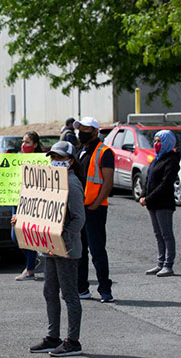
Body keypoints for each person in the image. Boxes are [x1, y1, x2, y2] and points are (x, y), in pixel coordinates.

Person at [27, 141, 86, 357]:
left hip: (66, 249)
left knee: (69, 294)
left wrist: (60, 240)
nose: (55, 162)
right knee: (49, 291)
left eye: (60, 158)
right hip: (49, 247)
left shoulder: (72, 183)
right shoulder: (50, 182)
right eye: (52, 157)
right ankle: (53, 337)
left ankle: (73, 341)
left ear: (70, 161)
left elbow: (79, 219)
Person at [75, 117, 115, 302]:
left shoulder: (104, 152)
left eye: (85, 129)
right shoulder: (80, 150)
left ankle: (105, 290)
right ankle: (82, 288)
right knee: (80, 250)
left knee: (97, 250)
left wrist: (96, 203)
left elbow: (107, 182)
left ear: (95, 132)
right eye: (80, 128)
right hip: (80, 209)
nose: (81, 131)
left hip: (95, 209)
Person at [0, 131, 43, 280]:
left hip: (32, 203)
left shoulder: (41, 160)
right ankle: (32, 259)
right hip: (16, 202)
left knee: (28, 235)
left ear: (35, 145)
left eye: (27, 142)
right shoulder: (15, 158)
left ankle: (29, 270)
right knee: (16, 237)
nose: (24, 144)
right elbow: (5, 175)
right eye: (23, 141)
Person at [140, 130, 180, 277]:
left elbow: (165, 184)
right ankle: (160, 263)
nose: (156, 144)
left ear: (167, 142)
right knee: (158, 234)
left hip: (163, 203)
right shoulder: (157, 158)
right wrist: (143, 194)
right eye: (155, 141)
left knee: (166, 234)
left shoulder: (171, 160)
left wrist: (148, 198)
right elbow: (149, 179)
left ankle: (168, 265)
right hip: (152, 203)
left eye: (159, 141)